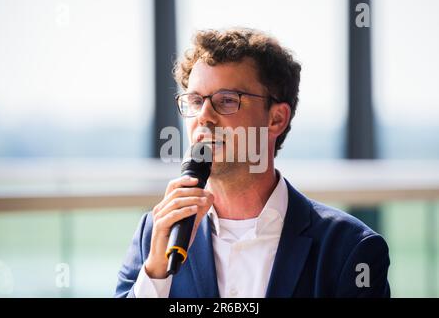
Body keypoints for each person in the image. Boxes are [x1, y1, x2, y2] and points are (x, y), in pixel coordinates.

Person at [115, 28, 390, 298]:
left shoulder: (350, 248)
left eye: (226, 100)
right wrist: (155, 275)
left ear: (276, 119)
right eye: (196, 100)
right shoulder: (156, 233)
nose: (204, 116)